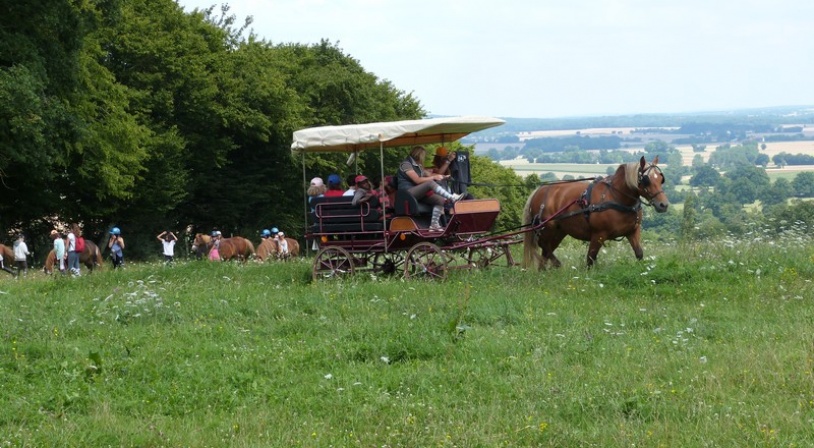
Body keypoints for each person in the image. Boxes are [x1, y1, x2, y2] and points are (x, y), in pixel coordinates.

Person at [397, 146, 463, 231]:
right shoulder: (406, 165)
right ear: (419, 155)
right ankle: (452, 197)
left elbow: (429, 175)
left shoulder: (418, 166)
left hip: (416, 192)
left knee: (440, 200)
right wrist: (433, 178)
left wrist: (442, 177)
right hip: (407, 193)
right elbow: (417, 180)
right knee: (430, 183)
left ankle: (434, 224)